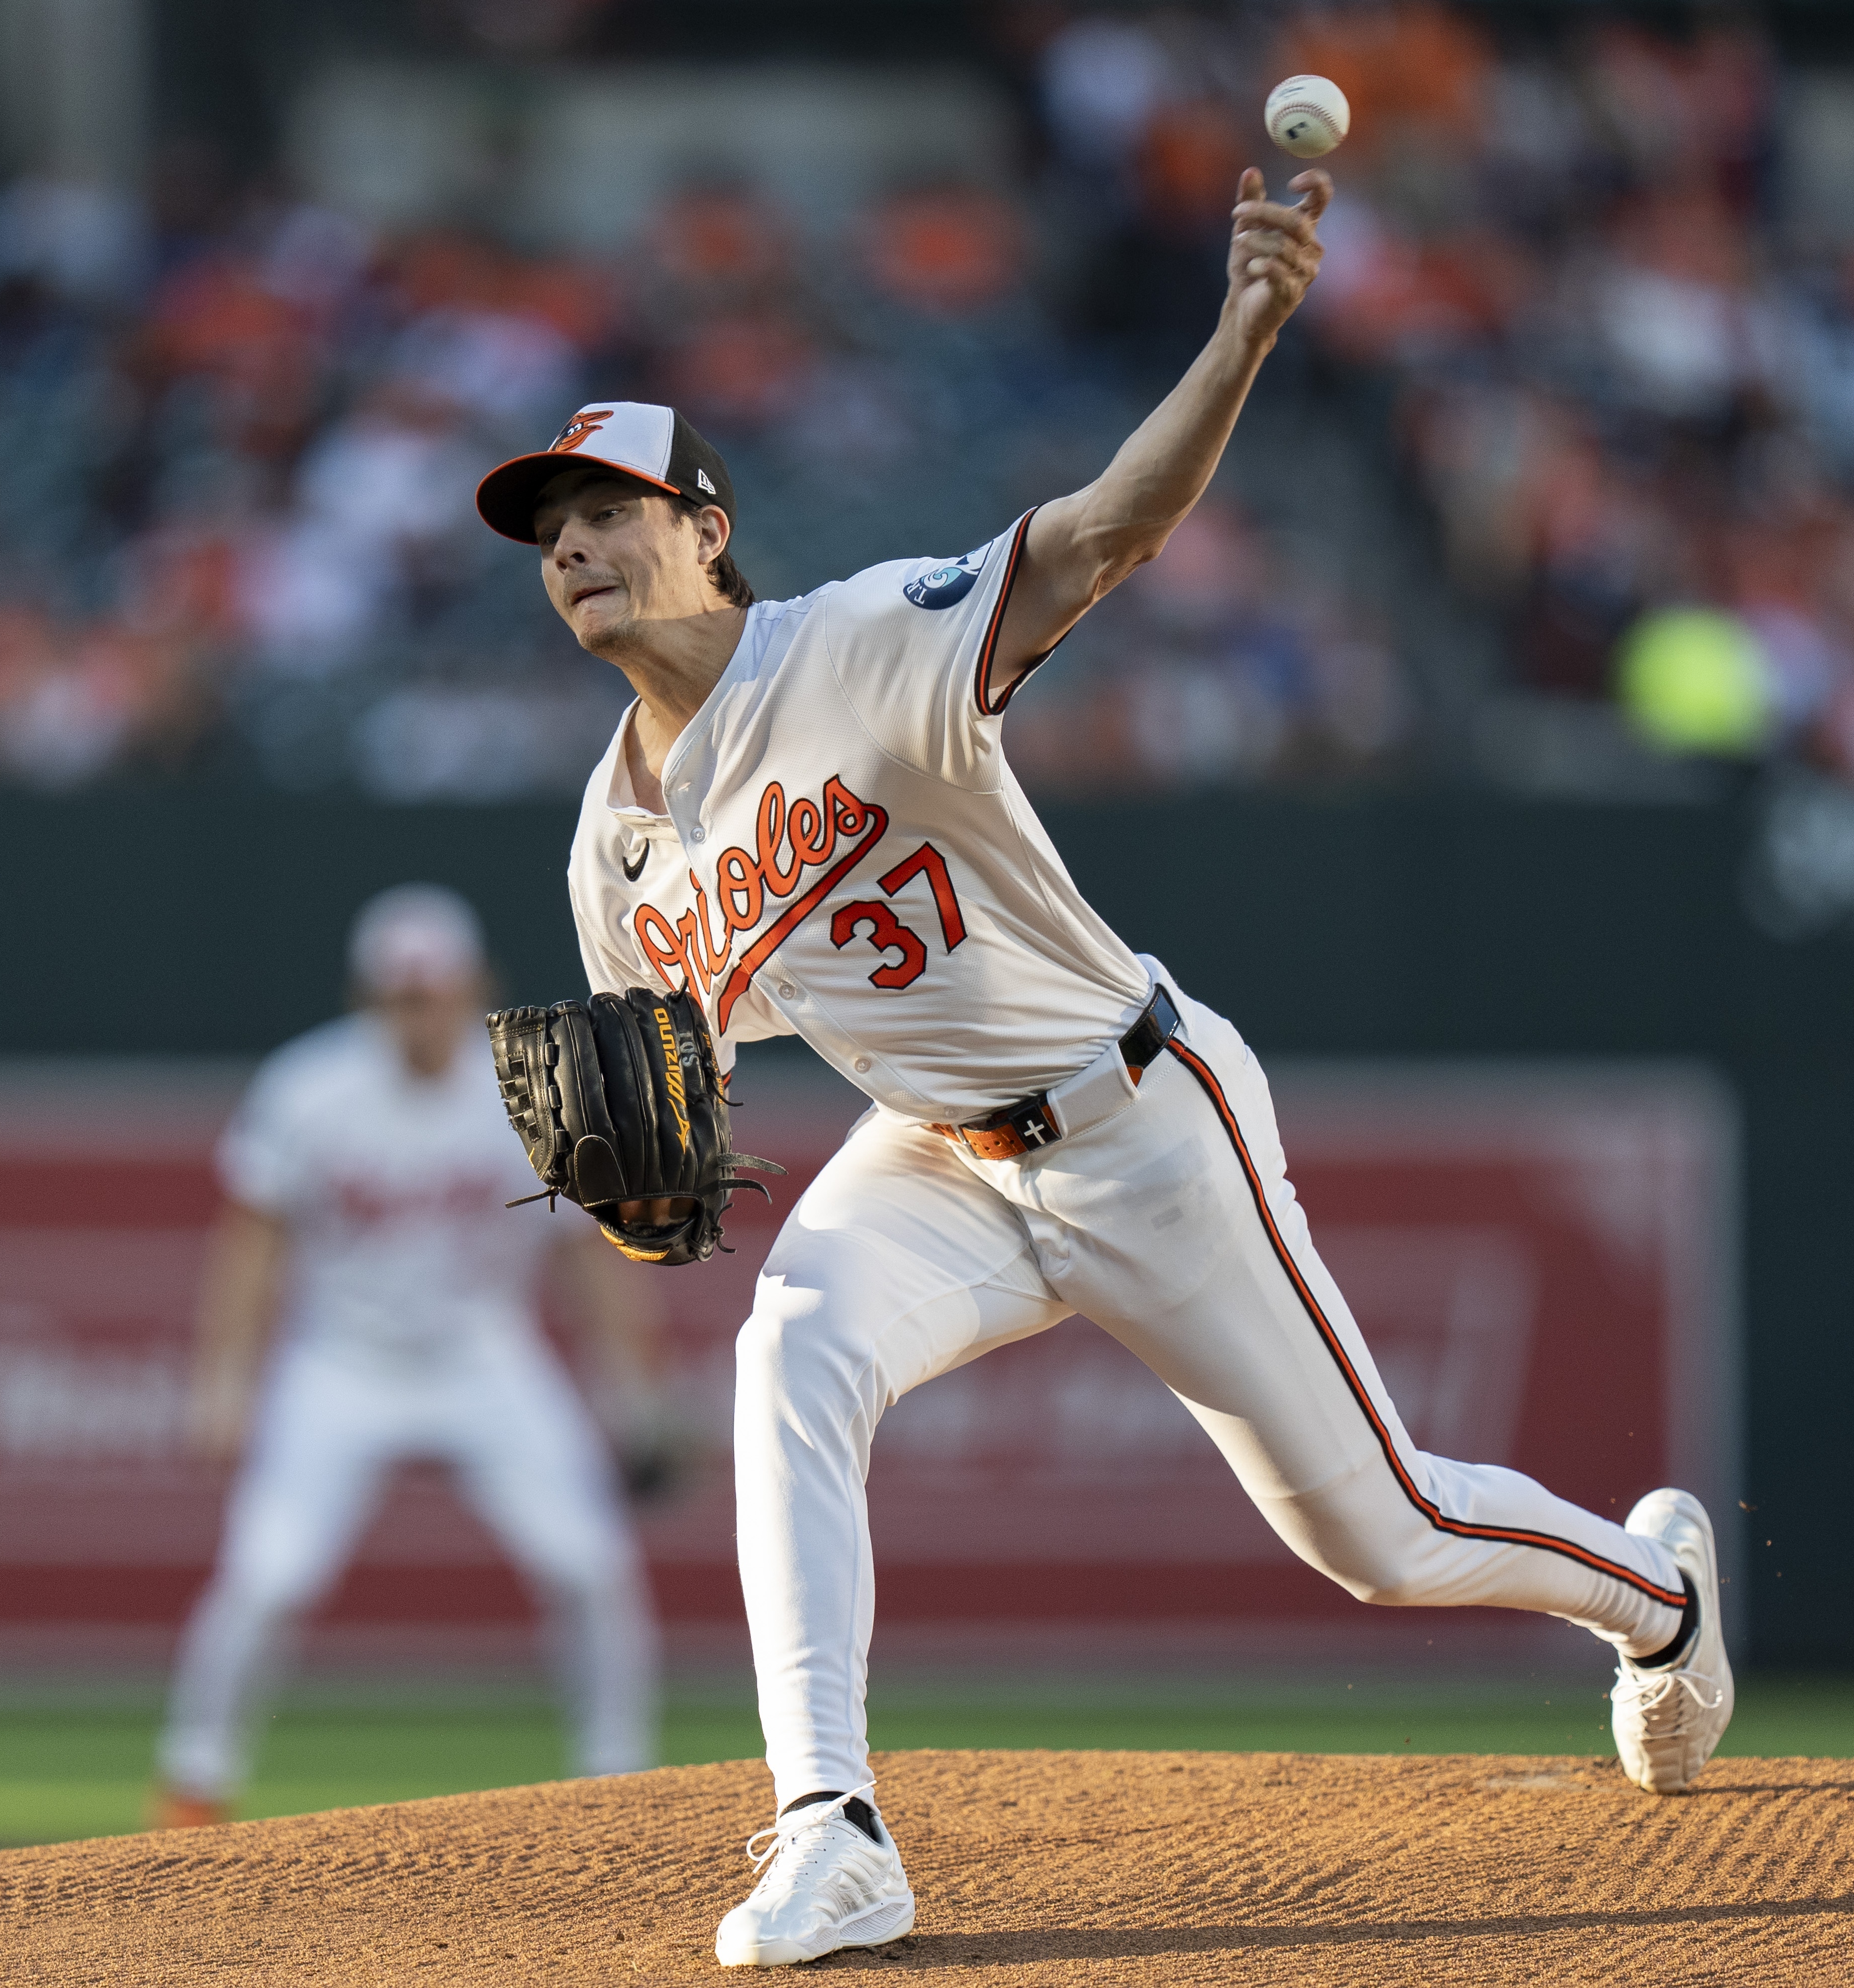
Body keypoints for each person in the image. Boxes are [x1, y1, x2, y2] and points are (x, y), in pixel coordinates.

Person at [468, 161, 1735, 1968]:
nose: (573, 548)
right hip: (936, 1161)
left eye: (605, 508)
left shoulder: (856, 642)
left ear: (702, 522)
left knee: (1379, 1534)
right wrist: (630, 1204)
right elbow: (667, 1105)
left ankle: (1660, 1601)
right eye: (547, 531)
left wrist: (1241, 335)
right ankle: (831, 1826)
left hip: (1143, 1119)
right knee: (791, 1349)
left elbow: (1099, 533)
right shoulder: (609, 848)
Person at [150, 884, 666, 1827]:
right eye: (401, 994)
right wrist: (221, 1383)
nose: (418, 1012)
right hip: (340, 1360)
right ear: (368, 997)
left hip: (482, 1351)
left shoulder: (533, 1089)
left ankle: (616, 1782)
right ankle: (193, 1780)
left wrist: (630, 1392)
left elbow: (587, 1258)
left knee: (590, 1564)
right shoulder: (309, 1088)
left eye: (434, 993)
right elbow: (251, 1244)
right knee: (270, 1575)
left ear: (473, 990)